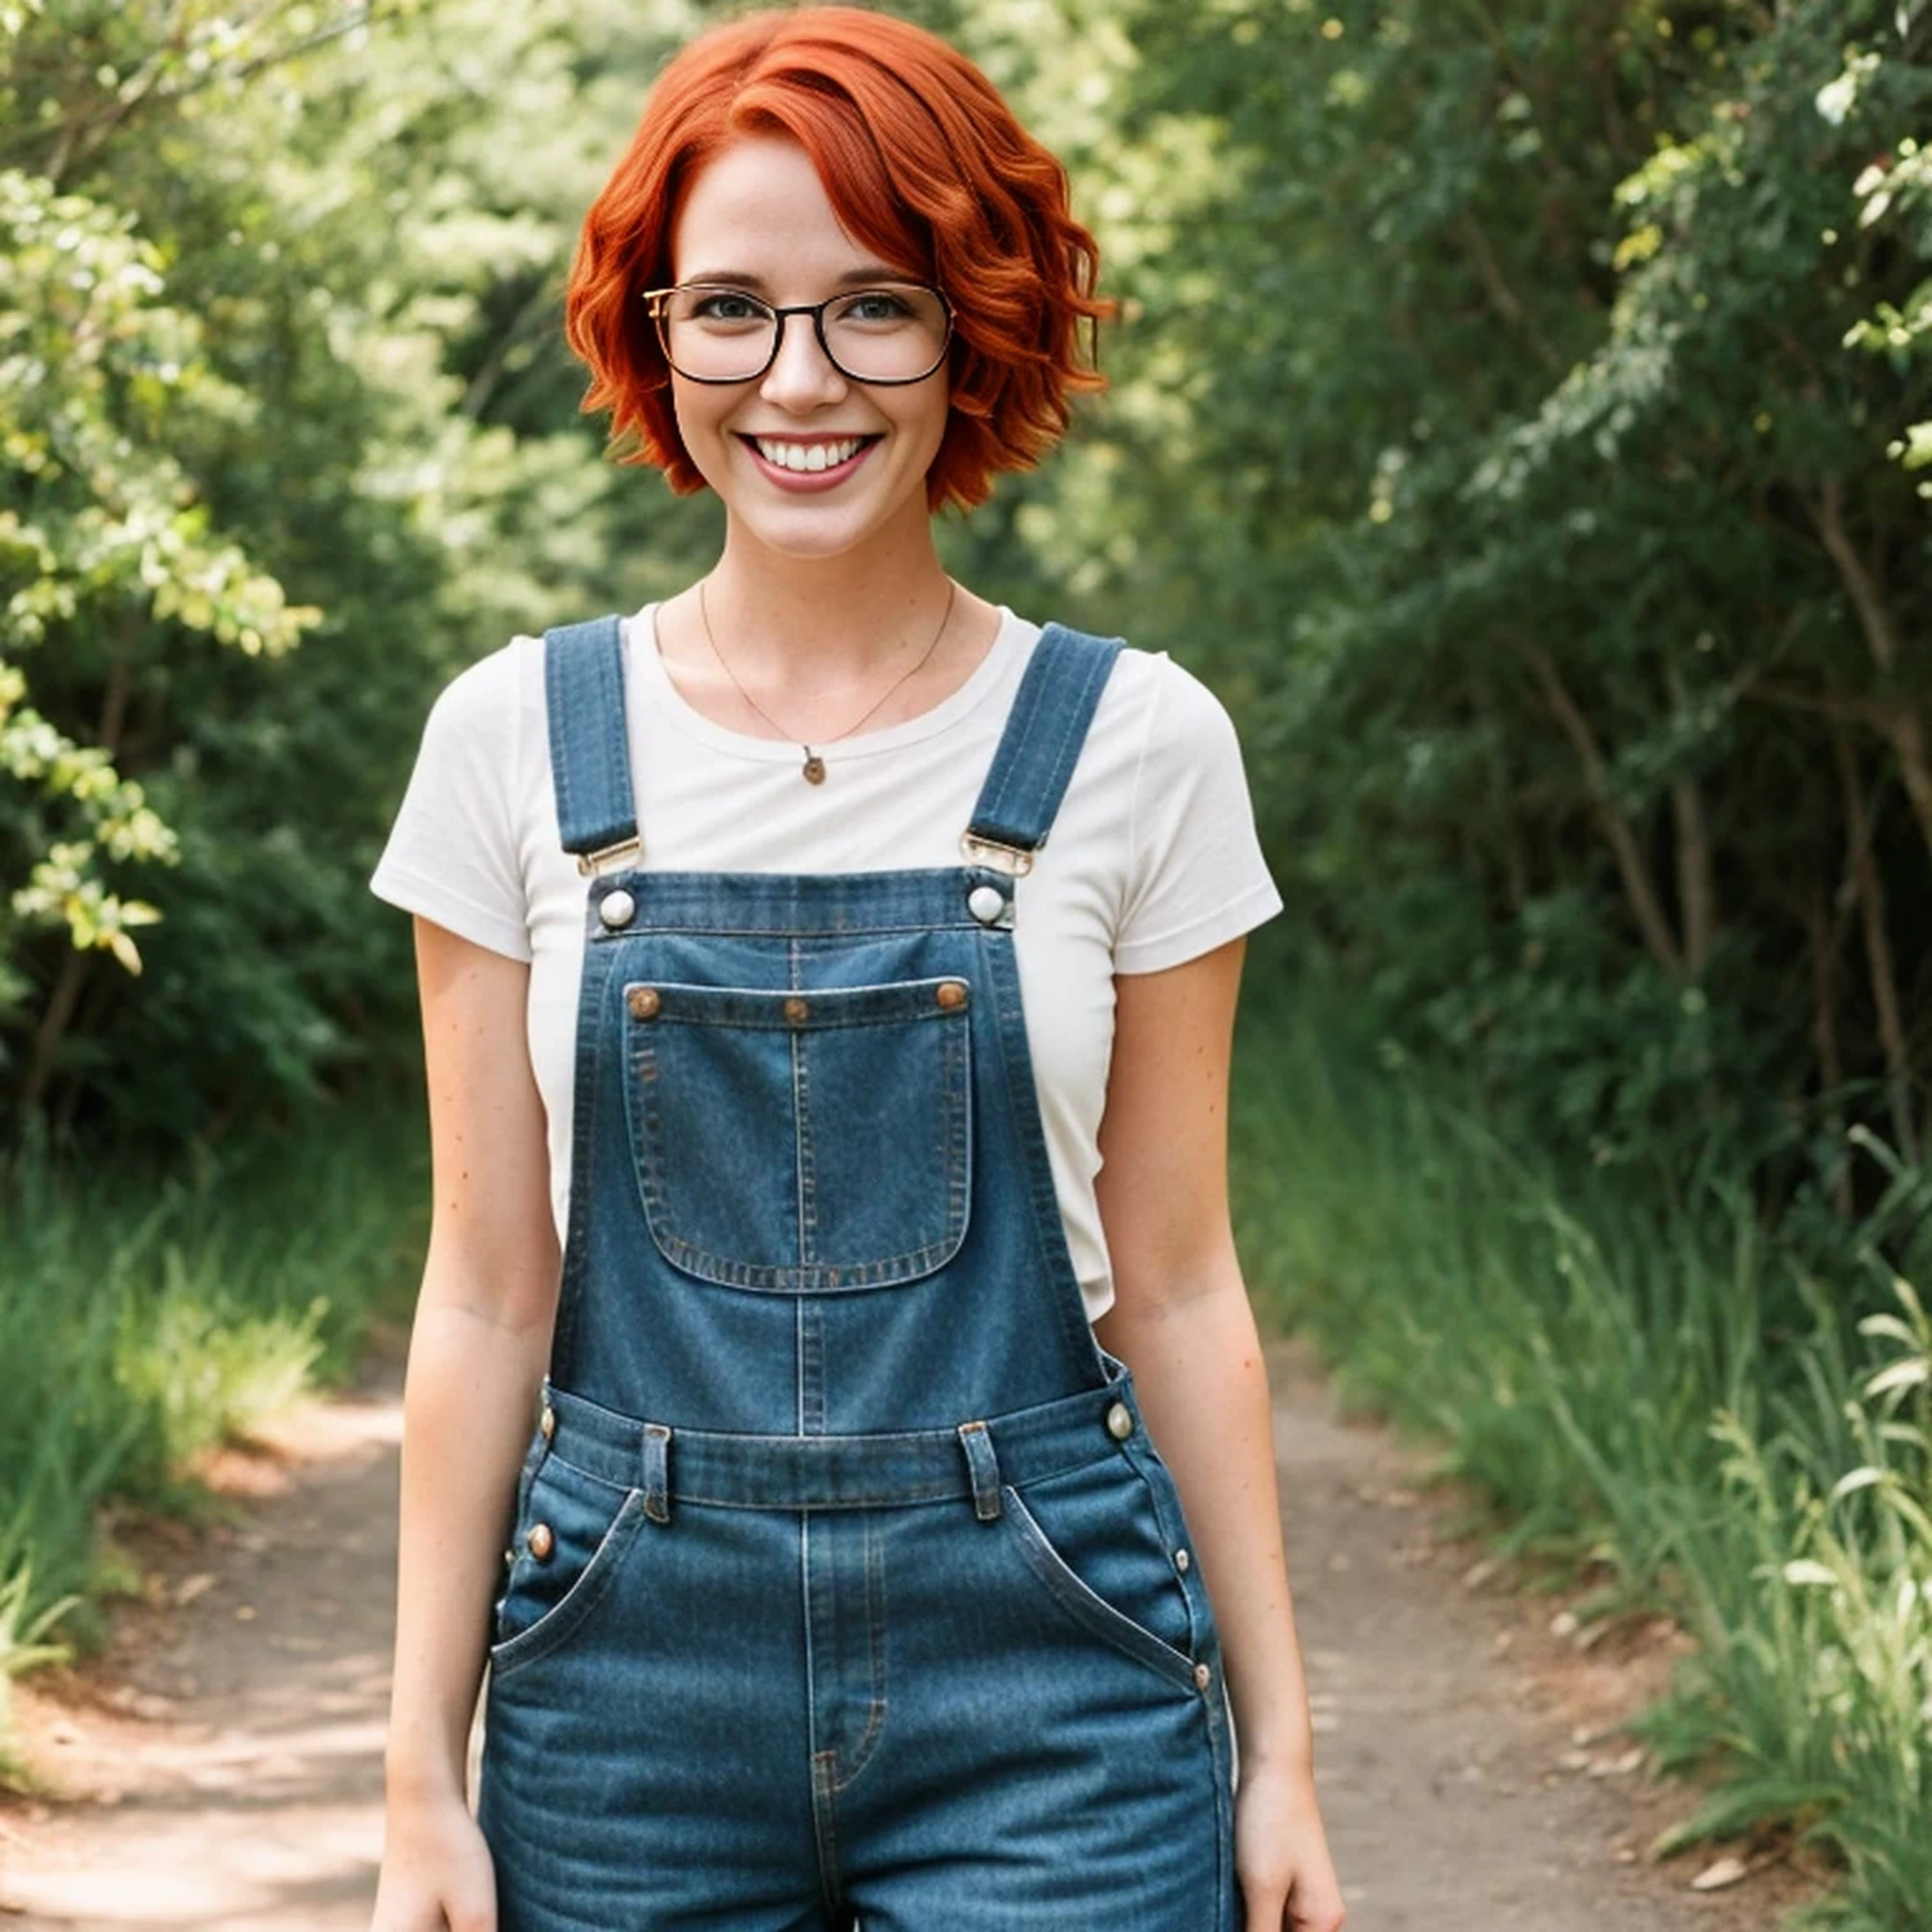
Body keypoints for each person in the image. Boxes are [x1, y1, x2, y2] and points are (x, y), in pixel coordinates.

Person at [366, 7, 1344, 1929]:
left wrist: (1288, 1753)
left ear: (972, 324)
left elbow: (1181, 1282)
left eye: (873, 306)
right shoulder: (513, 739)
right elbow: (486, 1297)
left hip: (1053, 1685)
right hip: (621, 1698)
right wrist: (415, 1775)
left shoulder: (1140, 744)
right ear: (653, 328)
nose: (798, 378)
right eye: (730, 305)